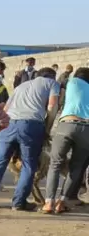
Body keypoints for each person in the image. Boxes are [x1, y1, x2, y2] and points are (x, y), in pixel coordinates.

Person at [0, 66, 60, 212]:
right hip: (31, 124)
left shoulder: (21, 86)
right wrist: (47, 129)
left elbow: (6, 108)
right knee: (29, 165)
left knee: (0, 161)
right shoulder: (52, 84)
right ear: (52, 76)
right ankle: (18, 203)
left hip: (9, 124)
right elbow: (52, 107)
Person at [43, 66, 89, 213]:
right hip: (86, 128)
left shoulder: (72, 82)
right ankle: (62, 202)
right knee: (76, 167)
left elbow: (58, 94)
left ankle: (49, 202)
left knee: (55, 164)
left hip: (66, 125)